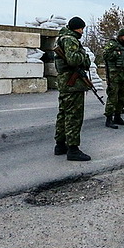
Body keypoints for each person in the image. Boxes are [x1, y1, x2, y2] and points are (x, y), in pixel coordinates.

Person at [54, 17, 92, 161]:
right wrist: (84, 55)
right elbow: (73, 60)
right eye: (81, 28)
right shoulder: (70, 39)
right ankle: (73, 149)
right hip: (73, 84)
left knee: (63, 113)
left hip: (66, 83)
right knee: (74, 116)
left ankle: (60, 145)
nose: (82, 31)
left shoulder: (62, 38)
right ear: (77, 28)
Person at [103, 28, 124, 129]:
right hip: (114, 74)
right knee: (113, 97)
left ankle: (118, 116)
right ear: (120, 36)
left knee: (122, 97)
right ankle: (108, 119)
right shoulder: (113, 44)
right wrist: (117, 53)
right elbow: (106, 55)